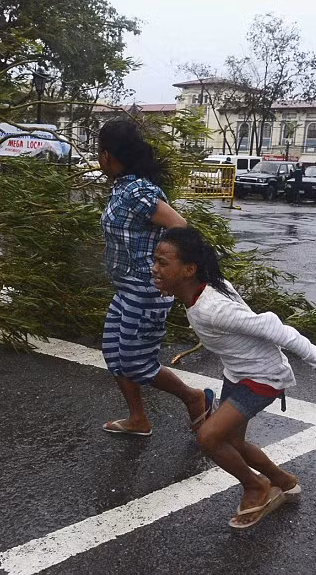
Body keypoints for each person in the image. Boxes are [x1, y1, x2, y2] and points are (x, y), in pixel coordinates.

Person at [151, 227, 316, 529]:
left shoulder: (213, 309)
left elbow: (273, 327)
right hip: (238, 373)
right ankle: (283, 481)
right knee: (232, 442)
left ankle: (256, 486)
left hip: (263, 377)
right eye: (155, 261)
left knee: (209, 437)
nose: (154, 268)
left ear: (188, 270)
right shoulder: (203, 290)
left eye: (162, 263)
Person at [97, 118, 215, 436]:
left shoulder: (138, 191)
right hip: (126, 288)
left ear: (107, 155)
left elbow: (180, 224)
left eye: (99, 151)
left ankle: (195, 399)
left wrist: (165, 267)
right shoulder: (124, 186)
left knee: (137, 363)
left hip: (146, 289)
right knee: (113, 352)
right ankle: (138, 419)